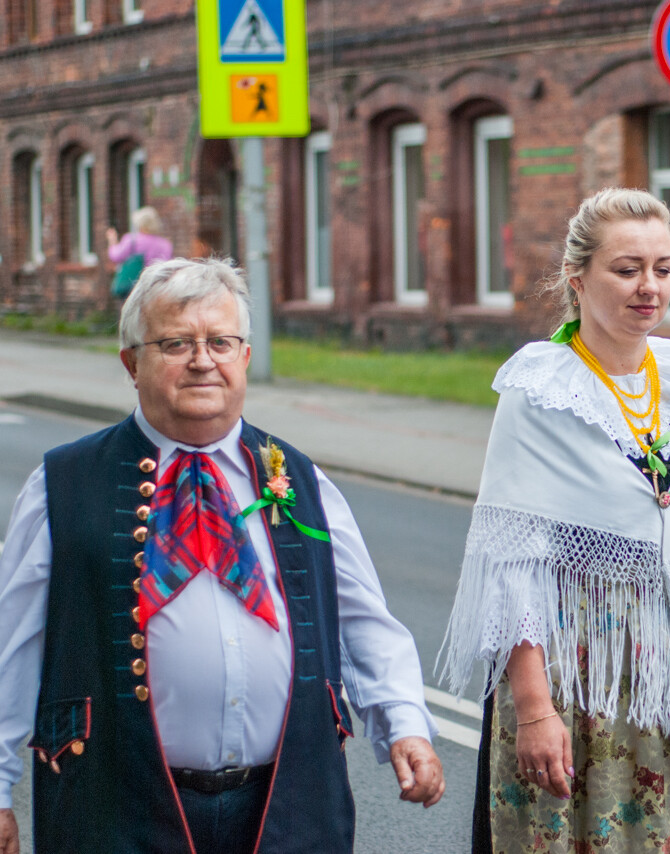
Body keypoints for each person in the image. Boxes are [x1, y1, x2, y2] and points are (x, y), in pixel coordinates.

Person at [0, 258, 444, 853]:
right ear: (132, 363)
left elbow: (363, 621)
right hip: (116, 812)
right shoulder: (64, 482)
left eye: (221, 341)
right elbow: (13, 648)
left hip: (286, 808)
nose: (203, 359)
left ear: (246, 358)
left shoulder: (300, 478)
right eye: (176, 342)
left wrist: (405, 725)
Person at [439, 188, 670, 852]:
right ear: (578, 278)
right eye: (626, 269)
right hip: (590, 681)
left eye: (661, 268)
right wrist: (536, 711)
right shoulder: (541, 394)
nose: (648, 287)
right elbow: (515, 565)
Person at [106, 205, 175, 267]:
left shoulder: (132, 240)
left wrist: (112, 240)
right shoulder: (165, 244)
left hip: (136, 280)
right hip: (157, 280)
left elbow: (116, 256)